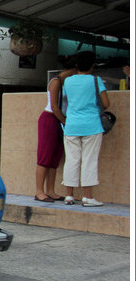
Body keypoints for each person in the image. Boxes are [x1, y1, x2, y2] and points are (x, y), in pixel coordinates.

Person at [53, 51, 109, 207]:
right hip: (91, 125)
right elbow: (106, 103)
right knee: (89, 160)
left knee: (72, 160)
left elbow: (67, 100)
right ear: (92, 65)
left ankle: (69, 196)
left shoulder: (68, 82)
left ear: (76, 65)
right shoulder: (96, 80)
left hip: (71, 125)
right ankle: (87, 197)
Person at [34, 56, 76, 202]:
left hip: (60, 120)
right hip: (51, 118)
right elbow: (54, 106)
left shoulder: (68, 82)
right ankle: (39, 191)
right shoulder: (56, 81)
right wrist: (64, 121)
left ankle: (50, 190)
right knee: (45, 156)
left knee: (55, 157)